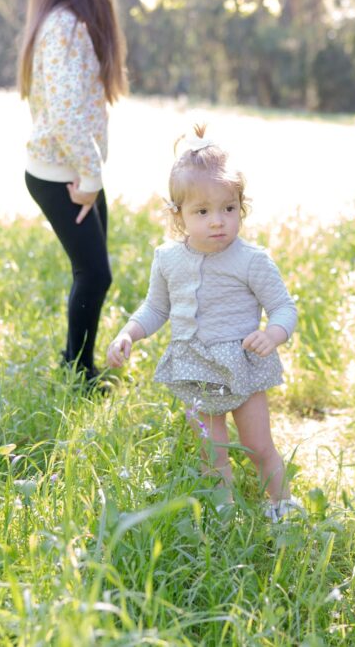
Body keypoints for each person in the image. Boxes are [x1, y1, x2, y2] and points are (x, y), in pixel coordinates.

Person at [106, 124, 302, 521]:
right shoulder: (167, 259)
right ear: (178, 215)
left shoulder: (252, 260)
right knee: (212, 453)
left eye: (228, 209)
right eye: (202, 211)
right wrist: (129, 332)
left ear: (240, 208)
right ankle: (222, 513)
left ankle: (281, 506)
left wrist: (272, 334)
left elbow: (284, 307)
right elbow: (155, 309)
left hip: (241, 365)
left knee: (257, 445)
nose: (218, 221)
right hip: (194, 366)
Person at [18, 0, 127, 384]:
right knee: (95, 273)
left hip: (74, 169)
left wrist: (89, 173)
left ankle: (77, 363)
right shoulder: (63, 24)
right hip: (62, 173)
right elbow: (64, 115)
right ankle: (77, 375)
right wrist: (89, 176)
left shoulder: (67, 22)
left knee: (93, 271)